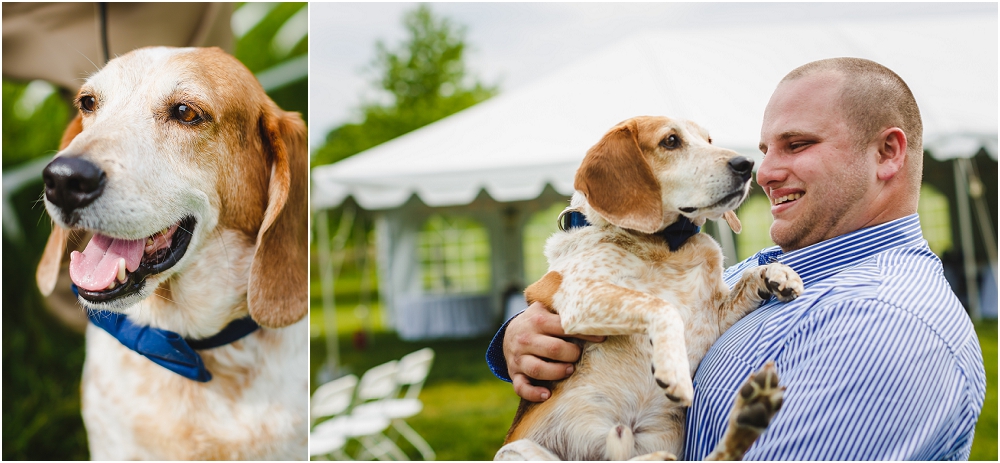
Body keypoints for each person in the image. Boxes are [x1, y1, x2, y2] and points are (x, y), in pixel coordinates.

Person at [486, 57, 986, 460]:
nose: (763, 171)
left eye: (798, 145)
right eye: (766, 148)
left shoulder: (878, 323)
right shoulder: (776, 266)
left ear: (888, 153)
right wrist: (520, 337)